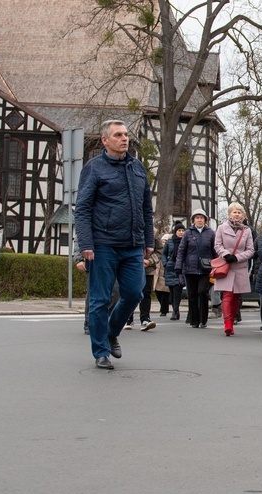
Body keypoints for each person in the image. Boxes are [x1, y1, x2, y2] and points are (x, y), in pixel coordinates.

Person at [75, 119, 154, 370]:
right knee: (100, 300)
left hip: (132, 245)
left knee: (134, 292)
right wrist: (86, 243)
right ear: (105, 140)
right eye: (118, 135)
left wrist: (148, 240)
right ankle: (101, 351)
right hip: (103, 244)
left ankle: (111, 332)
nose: (124, 138)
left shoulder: (137, 167)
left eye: (126, 134)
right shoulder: (94, 168)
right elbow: (83, 208)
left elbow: (146, 208)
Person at [214, 202, 255, 336]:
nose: (237, 214)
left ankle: (232, 319)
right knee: (227, 295)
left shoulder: (247, 230)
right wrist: (226, 254)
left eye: (239, 212)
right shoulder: (221, 228)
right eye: (234, 212)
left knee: (236, 296)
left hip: (240, 266)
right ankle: (228, 324)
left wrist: (237, 257)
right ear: (229, 214)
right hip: (226, 266)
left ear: (243, 215)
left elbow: (250, 250)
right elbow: (217, 245)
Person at [175, 208, 216, 329]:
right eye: (197, 218)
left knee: (202, 292)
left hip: (205, 268)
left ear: (205, 220)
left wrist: (218, 265)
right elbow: (181, 251)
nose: (199, 220)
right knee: (192, 294)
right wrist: (178, 267)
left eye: (201, 218)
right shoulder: (188, 233)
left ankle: (203, 319)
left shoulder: (210, 233)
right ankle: (194, 319)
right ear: (193, 220)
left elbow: (214, 250)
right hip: (190, 268)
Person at [162, 222, 186, 320]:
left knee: (177, 290)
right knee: (171, 292)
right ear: (175, 232)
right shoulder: (169, 242)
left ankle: (175, 311)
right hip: (170, 268)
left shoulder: (185, 241)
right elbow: (164, 254)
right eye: (179, 231)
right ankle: (176, 310)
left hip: (180, 269)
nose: (181, 233)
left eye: (182, 231)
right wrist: (165, 263)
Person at [154, 230, 171, 316]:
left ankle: (164, 310)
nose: (164, 242)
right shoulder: (159, 248)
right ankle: (163, 308)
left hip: (166, 271)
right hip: (158, 271)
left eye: (166, 241)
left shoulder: (170, 248)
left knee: (165, 292)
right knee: (158, 291)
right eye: (163, 241)